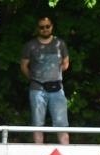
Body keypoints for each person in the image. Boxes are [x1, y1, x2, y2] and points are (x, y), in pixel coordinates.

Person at [20, 15, 70, 144]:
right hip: (37, 89)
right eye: (42, 27)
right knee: (37, 124)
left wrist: (54, 74)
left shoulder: (60, 44)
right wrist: (34, 78)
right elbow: (24, 66)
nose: (45, 29)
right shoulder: (30, 46)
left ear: (52, 27)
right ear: (38, 29)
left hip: (57, 89)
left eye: (47, 26)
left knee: (62, 124)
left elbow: (66, 63)